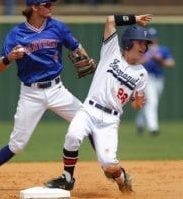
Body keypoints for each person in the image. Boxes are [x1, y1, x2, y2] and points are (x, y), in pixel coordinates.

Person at [0, 0, 95, 190]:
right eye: (47, 4)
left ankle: (103, 171)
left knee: (90, 122)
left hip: (57, 90)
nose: (51, 7)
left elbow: (76, 46)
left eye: (51, 4)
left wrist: (85, 56)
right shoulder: (16, 33)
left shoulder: (57, 27)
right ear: (34, 7)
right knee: (17, 145)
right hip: (31, 94)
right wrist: (9, 58)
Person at [43, 14, 153, 194]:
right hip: (89, 109)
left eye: (146, 44)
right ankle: (67, 178)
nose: (144, 46)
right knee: (73, 135)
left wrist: (137, 102)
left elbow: (135, 103)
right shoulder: (111, 52)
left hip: (110, 120)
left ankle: (122, 178)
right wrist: (135, 18)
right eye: (140, 42)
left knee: (109, 164)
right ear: (127, 42)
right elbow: (110, 20)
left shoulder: (142, 74)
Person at [135, 27, 175, 136]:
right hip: (146, 79)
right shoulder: (142, 49)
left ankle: (140, 122)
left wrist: (159, 59)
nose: (152, 39)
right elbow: (134, 63)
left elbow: (171, 64)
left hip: (159, 79)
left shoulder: (163, 49)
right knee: (152, 101)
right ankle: (153, 127)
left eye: (153, 37)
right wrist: (146, 58)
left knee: (149, 102)